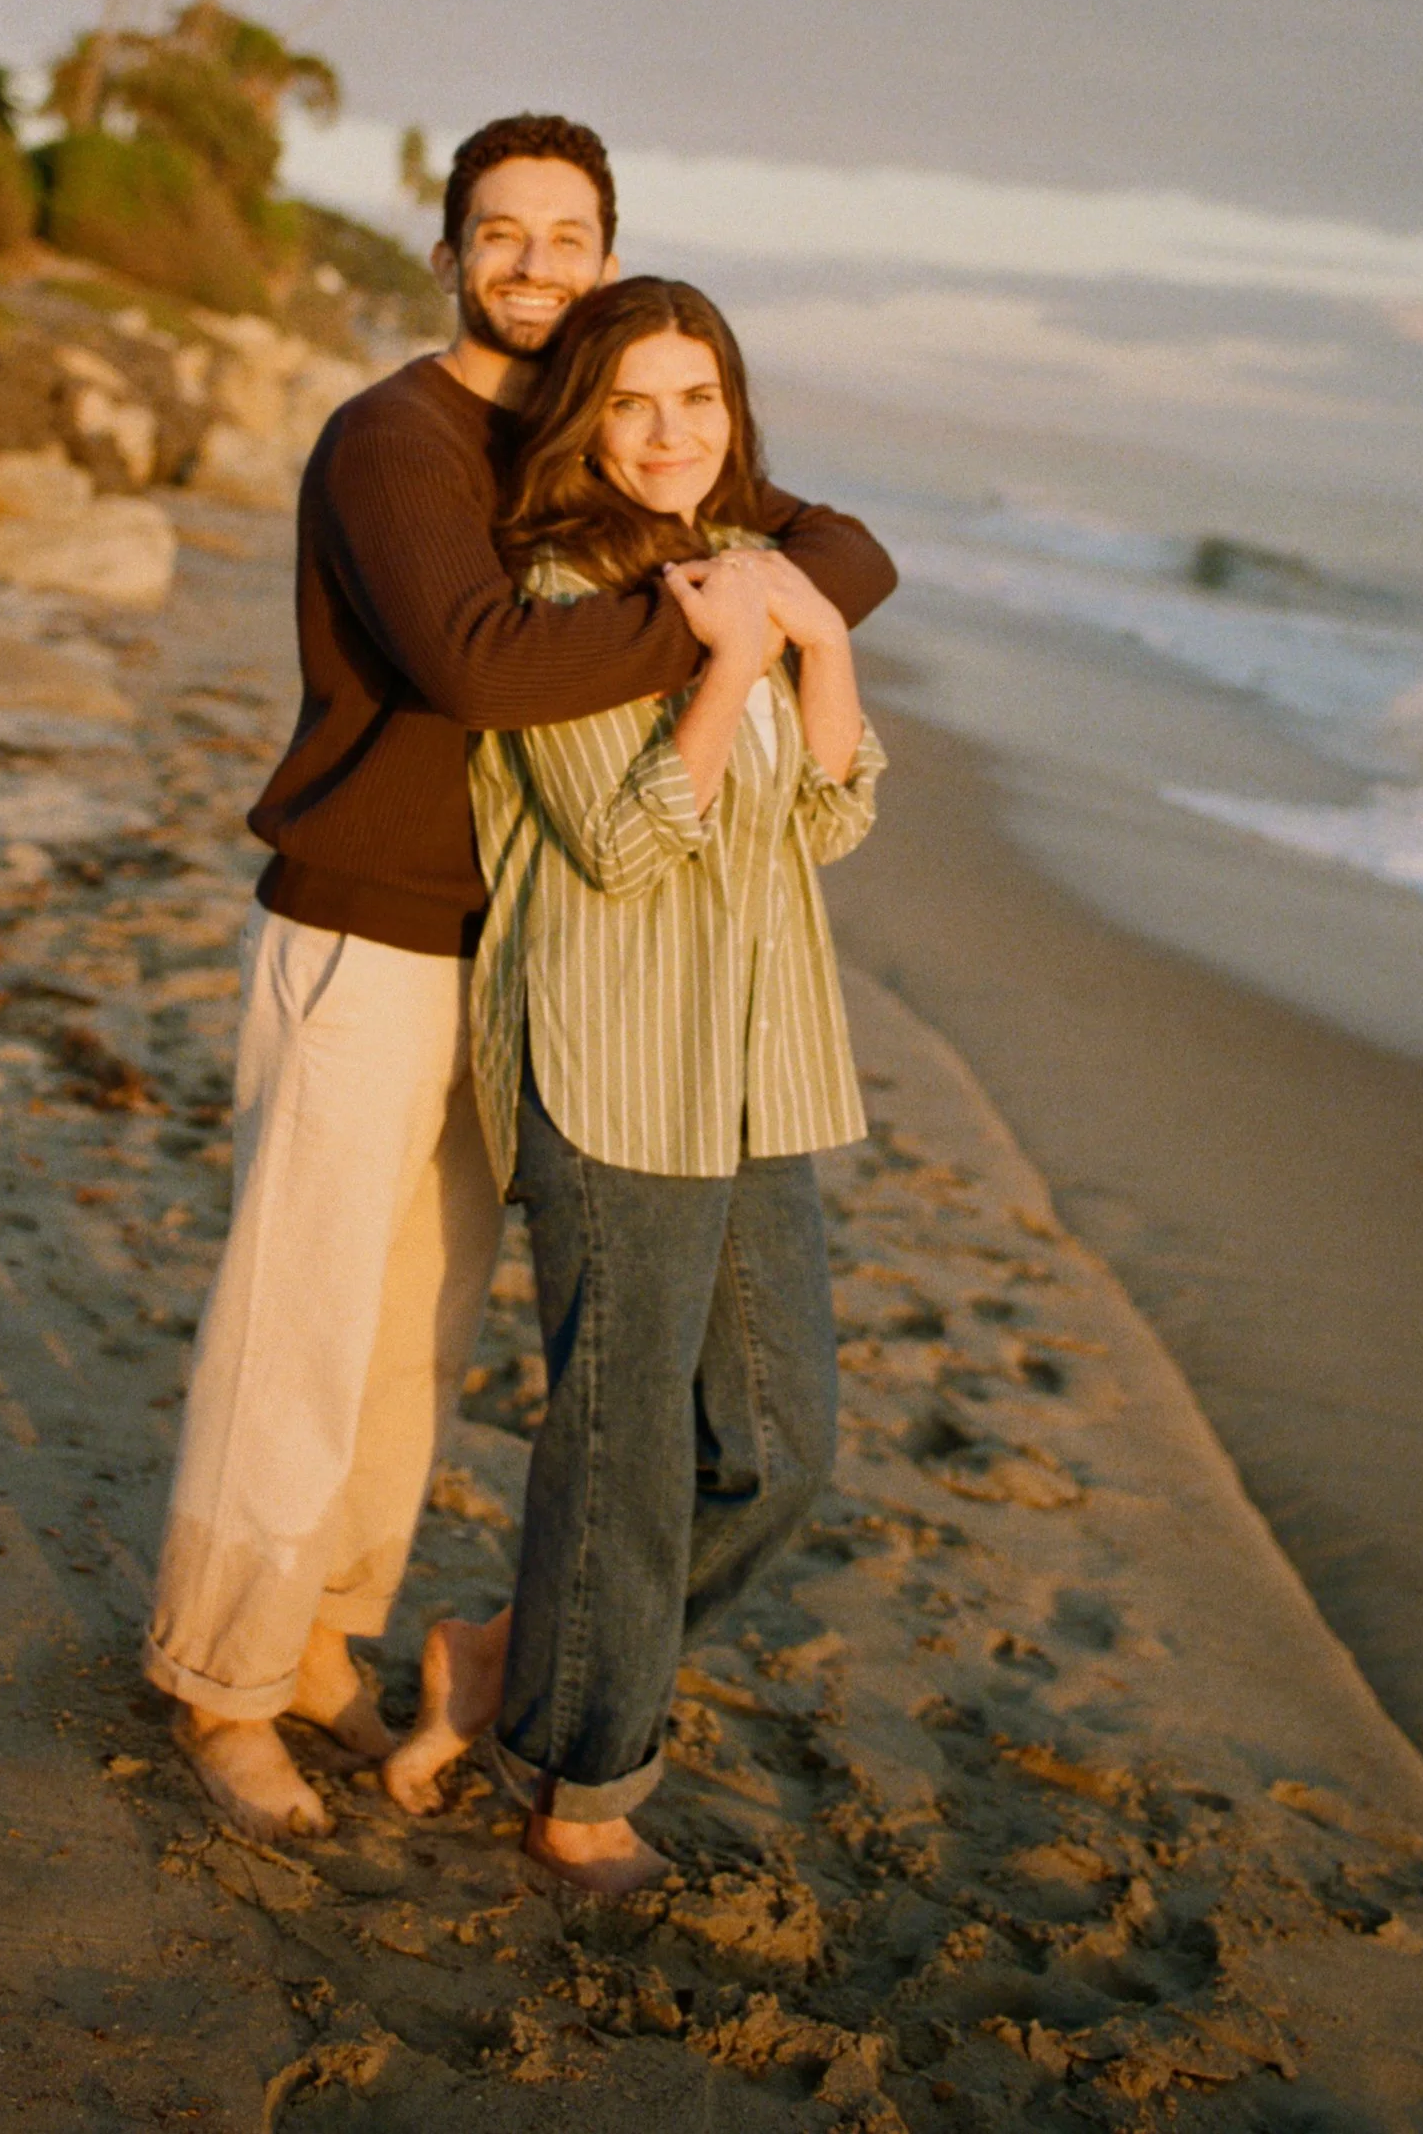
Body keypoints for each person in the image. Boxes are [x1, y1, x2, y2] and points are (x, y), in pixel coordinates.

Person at [144, 116, 896, 1842]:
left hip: (522, 957)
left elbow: (847, 549)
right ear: (452, 253)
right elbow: (483, 665)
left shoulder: (589, 427)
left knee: (413, 1332)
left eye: (570, 236)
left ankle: (326, 1633)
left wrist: (776, 591)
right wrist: (717, 610)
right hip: (367, 924)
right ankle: (217, 1681)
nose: (537, 264)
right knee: (300, 1326)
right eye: (505, 233)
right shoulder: (393, 439)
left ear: (609, 248)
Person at [394, 276, 880, 1893]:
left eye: (702, 400)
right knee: (622, 1446)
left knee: (782, 1451)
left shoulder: (741, 572)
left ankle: (503, 1656)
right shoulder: (555, 592)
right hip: (611, 1060)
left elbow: (827, 822)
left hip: (753, 1062)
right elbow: (615, 846)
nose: (673, 433)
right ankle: (578, 1789)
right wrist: (724, 660)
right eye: (635, 403)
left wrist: (812, 646)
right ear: (584, 420)